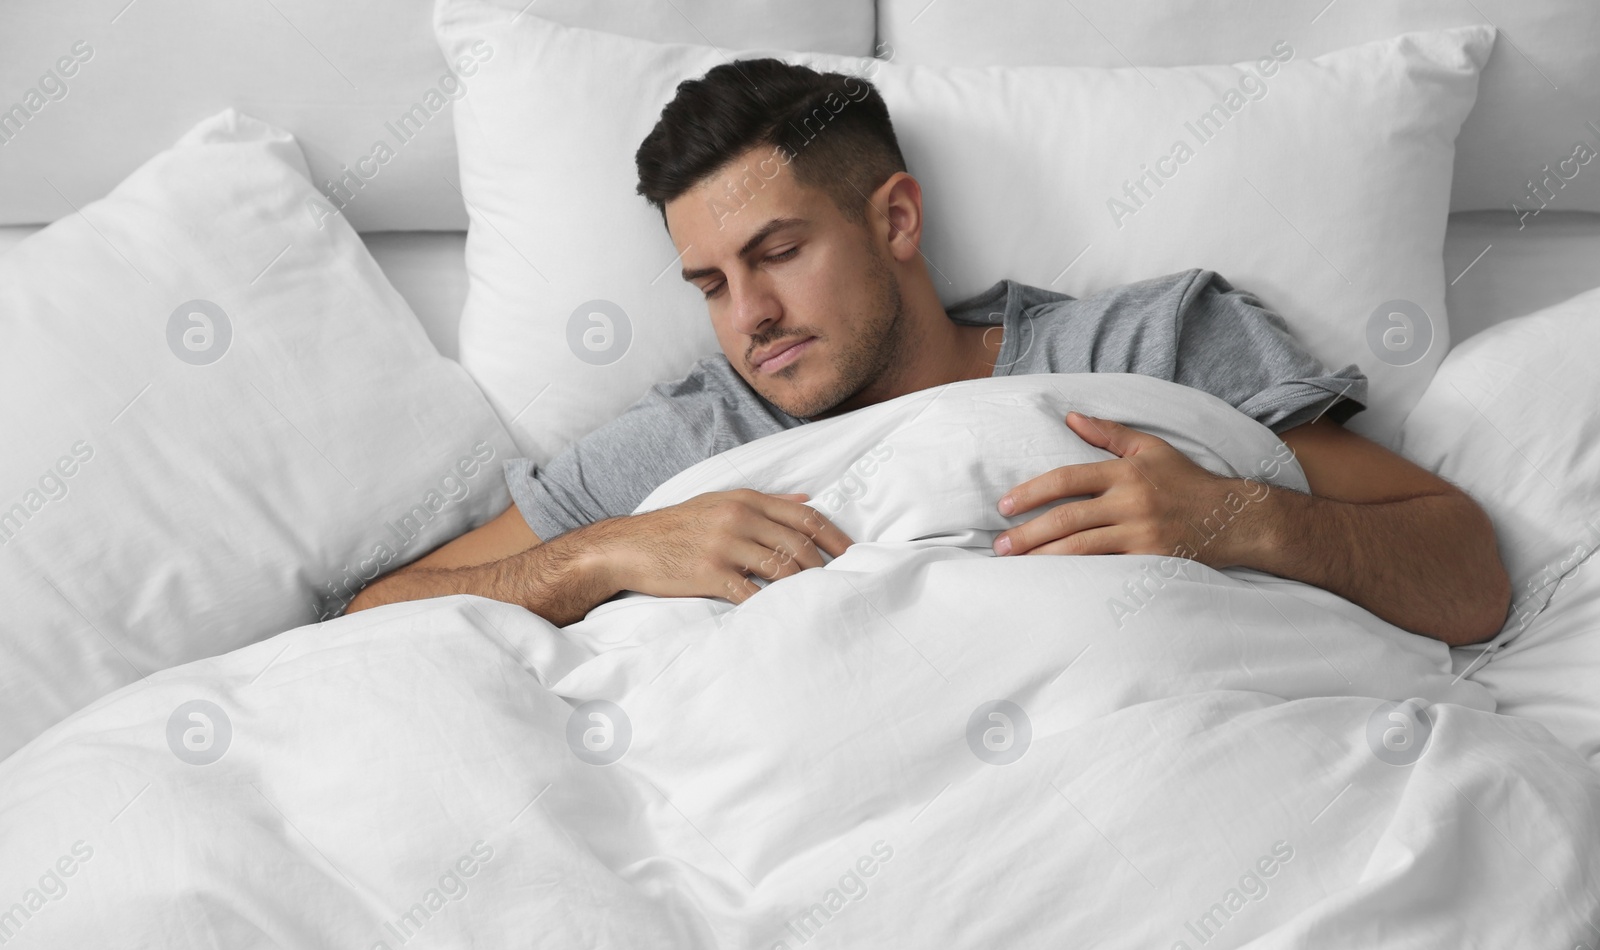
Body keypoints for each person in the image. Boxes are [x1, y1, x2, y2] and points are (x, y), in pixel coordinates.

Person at [348, 58, 1509, 646]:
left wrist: (1242, 519)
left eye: (778, 252)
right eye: (709, 283)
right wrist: (598, 557)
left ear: (894, 221)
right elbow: (376, 614)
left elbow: (1467, 573)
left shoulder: (1147, 340)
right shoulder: (685, 442)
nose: (747, 314)